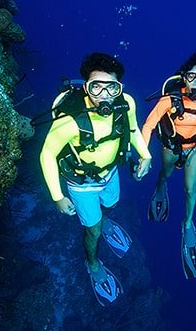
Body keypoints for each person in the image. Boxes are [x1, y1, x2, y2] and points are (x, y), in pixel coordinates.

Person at [39, 52, 152, 306]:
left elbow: (132, 130)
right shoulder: (70, 120)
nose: (104, 95)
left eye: (111, 87)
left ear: (119, 88)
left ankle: (106, 220)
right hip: (81, 185)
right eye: (96, 87)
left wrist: (145, 155)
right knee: (93, 229)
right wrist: (58, 197)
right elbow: (47, 154)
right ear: (86, 88)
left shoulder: (127, 104)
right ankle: (93, 264)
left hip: (111, 173)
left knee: (112, 205)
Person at [141, 50, 196, 279]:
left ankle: (187, 224)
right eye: (191, 76)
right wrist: (144, 154)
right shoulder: (169, 100)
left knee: (190, 189)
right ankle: (160, 188)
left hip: (195, 150)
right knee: (165, 174)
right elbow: (148, 125)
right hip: (171, 148)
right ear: (183, 77)